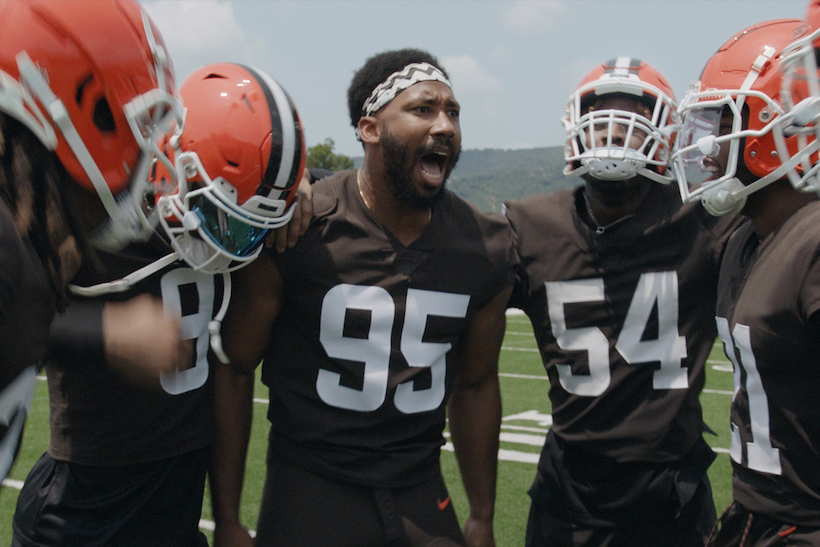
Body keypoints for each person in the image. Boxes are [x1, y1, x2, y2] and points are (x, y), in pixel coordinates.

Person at [209, 48, 516, 547]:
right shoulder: (302, 228)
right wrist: (226, 517)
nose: (445, 126)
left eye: (453, 112)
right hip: (311, 486)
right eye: (423, 109)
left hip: (419, 485)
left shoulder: (485, 247)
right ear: (370, 128)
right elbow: (235, 367)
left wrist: (482, 514)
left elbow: (477, 385)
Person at [11, 62, 308, 547]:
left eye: (247, 227)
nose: (229, 244)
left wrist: (302, 191)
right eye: (219, 215)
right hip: (84, 501)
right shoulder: (93, 211)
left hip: (178, 494)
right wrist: (105, 332)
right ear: (175, 159)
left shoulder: (238, 205)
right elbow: (11, 314)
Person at [503, 57, 740, 546]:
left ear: (666, 132)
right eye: (602, 118)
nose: (614, 134)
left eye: (631, 121)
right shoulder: (528, 226)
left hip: (670, 489)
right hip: (570, 488)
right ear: (576, 129)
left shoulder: (707, 220)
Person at [0, 0, 182, 485]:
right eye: (137, 127)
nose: (149, 159)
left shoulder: (25, 254)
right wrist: (104, 331)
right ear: (75, 112)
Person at [672, 18, 820, 546]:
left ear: (785, 126)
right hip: (759, 513)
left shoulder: (812, 242)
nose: (706, 147)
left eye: (721, 121)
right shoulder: (744, 237)